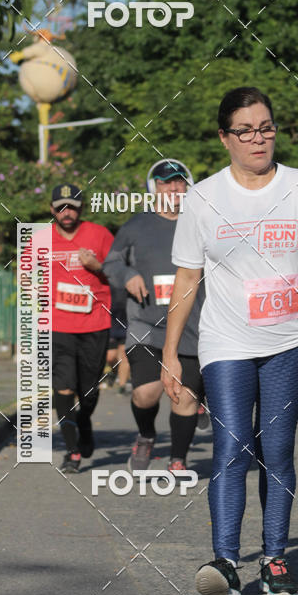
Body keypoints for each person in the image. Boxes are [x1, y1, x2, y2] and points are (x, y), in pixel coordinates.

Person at [162, 86, 298, 595]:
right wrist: (171, 353)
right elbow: (187, 279)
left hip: (290, 340)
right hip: (226, 340)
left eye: (265, 128)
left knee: (276, 449)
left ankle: (274, 559)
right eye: (244, 131)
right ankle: (225, 563)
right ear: (225, 138)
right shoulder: (203, 197)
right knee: (233, 445)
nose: (258, 139)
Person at [103, 159, 204, 473]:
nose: (173, 188)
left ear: (187, 185)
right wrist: (128, 275)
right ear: (154, 187)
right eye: (165, 182)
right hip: (147, 323)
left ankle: (178, 460)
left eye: (178, 181)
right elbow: (111, 263)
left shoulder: (201, 223)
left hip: (191, 326)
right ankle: (146, 434)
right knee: (146, 393)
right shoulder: (136, 225)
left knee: (184, 397)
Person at [49, 184, 114, 472]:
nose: (67, 212)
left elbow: (119, 271)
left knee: (89, 391)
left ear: (81, 208)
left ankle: (84, 420)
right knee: (62, 386)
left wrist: (97, 266)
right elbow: (28, 279)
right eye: (61, 207)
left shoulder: (100, 235)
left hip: (94, 323)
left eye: (72, 207)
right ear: (52, 210)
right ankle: (72, 451)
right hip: (57, 325)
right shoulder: (40, 240)